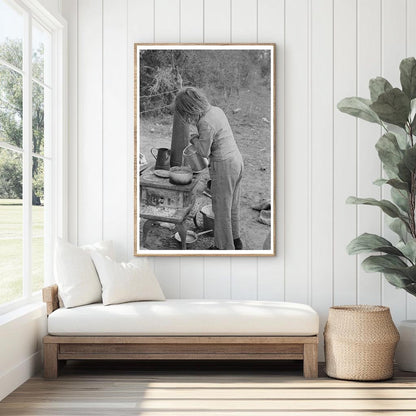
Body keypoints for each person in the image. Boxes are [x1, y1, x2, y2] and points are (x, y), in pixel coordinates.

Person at [174, 87, 244, 250]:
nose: (188, 118)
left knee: (220, 209)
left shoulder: (204, 122)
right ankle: (235, 239)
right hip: (237, 161)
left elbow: (204, 152)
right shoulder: (216, 110)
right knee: (232, 204)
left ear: (189, 107)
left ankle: (223, 248)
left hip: (224, 165)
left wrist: (194, 139)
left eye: (186, 113)